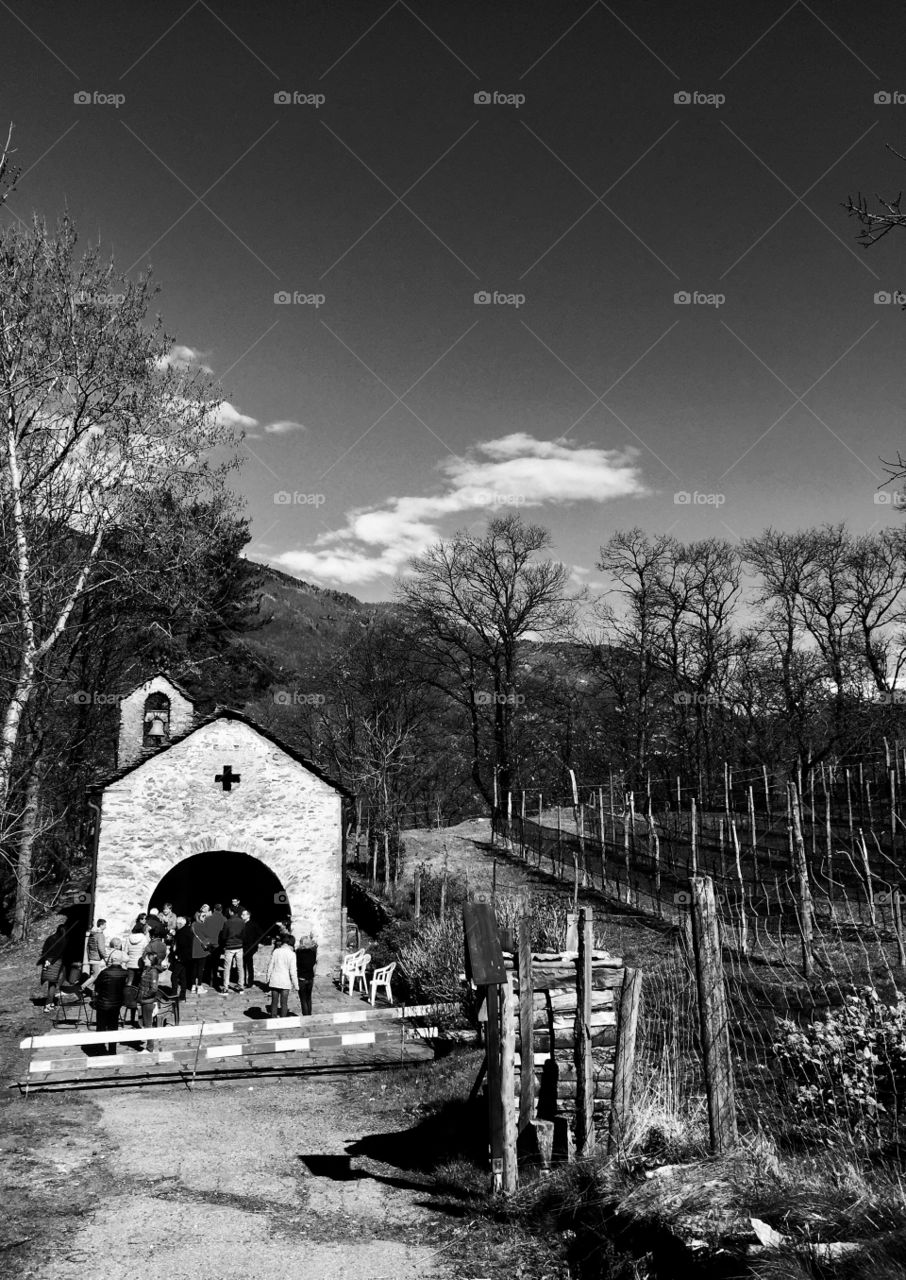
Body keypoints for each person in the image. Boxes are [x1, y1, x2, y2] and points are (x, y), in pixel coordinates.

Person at [92, 948, 129, 1054]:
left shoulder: (104, 972)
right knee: (113, 1027)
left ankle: (100, 1049)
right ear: (121, 961)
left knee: (101, 1026)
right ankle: (112, 1050)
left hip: (103, 1003)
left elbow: (97, 986)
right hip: (116, 1004)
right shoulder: (124, 973)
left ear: (111, 960)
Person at [265, 932, 298, 1018]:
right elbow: (293, 972)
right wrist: (296, 985)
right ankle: (283, 1020)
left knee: (274, 1002)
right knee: (284, 1003)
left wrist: (267, 979)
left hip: (275, 979)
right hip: (285, 981)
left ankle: (273, 1019)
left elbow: (270, 966)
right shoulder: (292, 954)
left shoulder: (276, 951)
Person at [38, 923, 68, 1013]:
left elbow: (44, 951)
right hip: (57, 962)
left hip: (48, 961)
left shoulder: (50, 938)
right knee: (53, 983)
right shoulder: (63, 940)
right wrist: (53, 961)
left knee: (52, 984)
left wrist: (47, 960)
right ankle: (48, 1004)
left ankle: (50, 1003)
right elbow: (60, 953)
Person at [219, 908, 245, 993]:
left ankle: (226, 987)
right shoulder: (242, 922)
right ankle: (241, 986)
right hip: (239, 946)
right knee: (240, 967)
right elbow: (243, 934)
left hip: (229, 946)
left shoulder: (227, 922)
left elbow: (224, 935)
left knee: (227, 967)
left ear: (231, 912)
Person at [201, 902, 225, 986]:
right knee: (216, 963)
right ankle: (214, 980)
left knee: (208, 963)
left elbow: (204, 931)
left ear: (214, 909)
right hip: (218, 944)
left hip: (209, 943)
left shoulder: (208, 918)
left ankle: (208, 979)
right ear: (221, 910)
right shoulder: (224, 919)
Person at [295, 934, 317, 1017]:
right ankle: (309, 1015)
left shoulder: (298, 952)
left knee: (303, 999)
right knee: (308, 998)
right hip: (310, 977)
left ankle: (306, 1016)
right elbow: (314, 963)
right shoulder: (313, 952)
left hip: (301, 978)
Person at [190, 909, 211, 994]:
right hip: (202, 949)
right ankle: (199, 986)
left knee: (194, 968)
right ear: (198, 917)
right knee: (200, 969)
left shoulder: (193, 925)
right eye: (203, 916)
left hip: (194, 949)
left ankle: (193, 986)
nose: (204, 917)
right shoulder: (202, 925)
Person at [171, 915, 191, 1000]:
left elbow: (182, 946)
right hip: (186, 958)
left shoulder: (181, 933)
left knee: (174, 976)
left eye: (176, 923)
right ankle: (182, 996)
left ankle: (174, 994)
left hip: (181, 958)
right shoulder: (186, 930)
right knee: (183, 977)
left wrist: (177, 956)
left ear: (180, 924)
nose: (176, 925)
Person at [124, 917, 148, 986]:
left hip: (130, 963)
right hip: (139, 963)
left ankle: (127, 995)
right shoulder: (144, 938)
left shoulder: (129, 938)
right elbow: (145, 951)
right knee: (137, 982)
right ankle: (135, 996)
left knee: (129, 981)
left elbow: (125, 951)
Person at [240, 910, 261, 988]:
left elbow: (260, 935)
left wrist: (255, 944)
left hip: (250, 947)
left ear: (248, 916)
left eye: (244, 914)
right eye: (242, 914)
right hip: (242, 947)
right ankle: (242, 981)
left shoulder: (253, 924)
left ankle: (250, 982)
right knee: (242, 965)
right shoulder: (241, 924)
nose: (242, 916)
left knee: (249, 965)